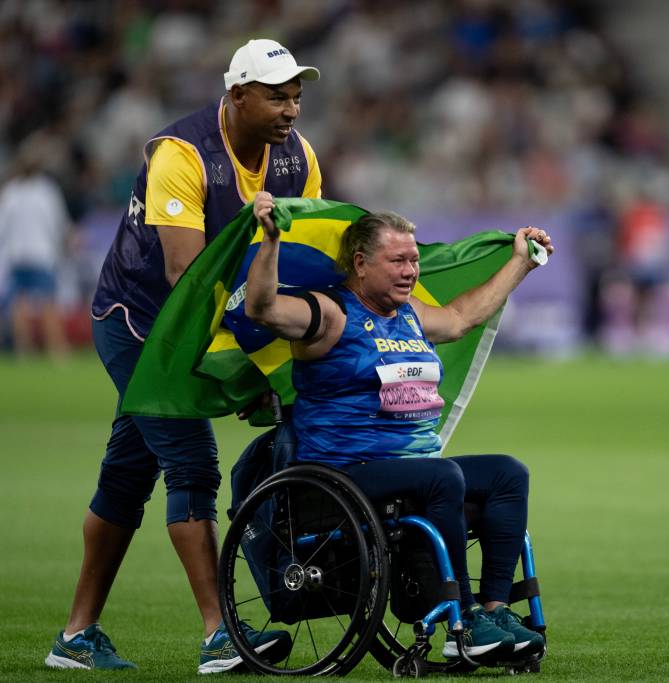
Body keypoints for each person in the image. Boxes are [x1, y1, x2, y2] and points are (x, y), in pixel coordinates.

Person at [46, 39, 323, 673]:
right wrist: (247, 363)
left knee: (125, 478)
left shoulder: (299, 159)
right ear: (237, 97)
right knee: (193, 465)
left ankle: (76, 636)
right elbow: (184, 275)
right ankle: (221, 635)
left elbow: (296, 261)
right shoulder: (182, 153)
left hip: (203, 319)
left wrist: (280, 354)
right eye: (277, 95)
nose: (292, 109)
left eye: (298, 95)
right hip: (141, 324)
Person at [245, 191, 554, 664]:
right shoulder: (330, 313)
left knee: (508, 474)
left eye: (414, 259)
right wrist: (270, 242)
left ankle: (492, 610)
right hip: (344, 472)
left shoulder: (407, 314)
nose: (412, 270)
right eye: (399, 261)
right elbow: (263, 309)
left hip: (410, 468)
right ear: (362, 262)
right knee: (442, 476)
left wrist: (522, 263)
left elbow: (461, 318)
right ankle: (462, 620)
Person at [0, 141, 72, 359]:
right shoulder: (46, 190)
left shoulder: (12, 191)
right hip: (41, 254)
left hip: (18, 254)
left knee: (20, 304)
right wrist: (64, 243)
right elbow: (58, 222)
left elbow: (3, 225)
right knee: (48, 303)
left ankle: (24, 351)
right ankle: (57, 351)